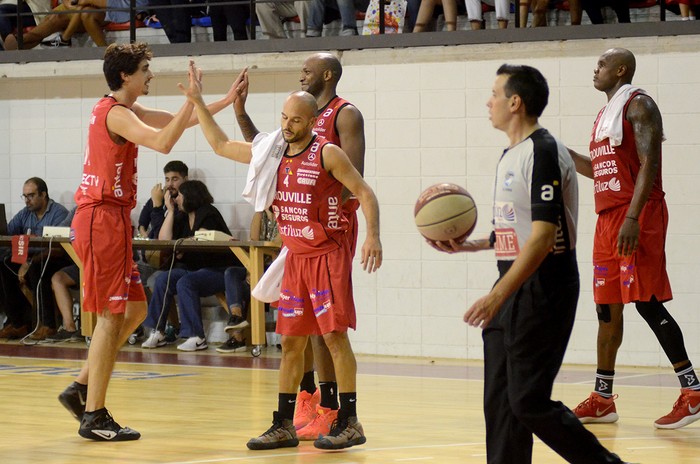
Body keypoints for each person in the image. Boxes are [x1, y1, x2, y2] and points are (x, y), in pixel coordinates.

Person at [430, 64, 627, 464]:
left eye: (495, 94)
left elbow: (541, 237)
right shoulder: (512, 153)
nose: (489, 102)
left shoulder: (543, 151)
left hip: (544, 286)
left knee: (528, 401)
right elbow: (518, 230)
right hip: (512, 283)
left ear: (515, 102)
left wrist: (495, 296)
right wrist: (473, 245)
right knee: (501, 404)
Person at [55, 42, 235, 441]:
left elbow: (176, 120)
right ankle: (94, 414)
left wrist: (214, 101)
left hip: (114, 219)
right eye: (145, 70)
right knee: (111, 316)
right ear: (125, 76)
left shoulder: (126, 110)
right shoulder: (115, 113)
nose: (150, 75)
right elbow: (163, 142)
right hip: (100, 219)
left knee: (135, 310)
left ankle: (81, 387)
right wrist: (196, 99)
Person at [190, 87, 382, 450]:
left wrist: (373, 236)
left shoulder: (328, 152)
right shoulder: (272, 153)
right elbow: (220, 145)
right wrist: (200, 104)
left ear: (313, 122)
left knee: (334, 338)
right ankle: (283, 424)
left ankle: (349, 420)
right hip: (296, 257)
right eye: (284, 118)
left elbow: (364, 192)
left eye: (296, 119)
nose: (288, 125)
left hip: (327, 254)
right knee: (290, 342)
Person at [232, 52, 367, 441]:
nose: (301, 74)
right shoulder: (297, 117)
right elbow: (267, 153)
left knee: (328, 328)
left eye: (307, 70)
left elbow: (352, 180)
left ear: (327, 74)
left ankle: (331, 408)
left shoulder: (344, 114)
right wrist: (240, 111)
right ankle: (304, 401)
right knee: (298, 325)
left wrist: (316, 218)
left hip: (328, 231)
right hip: (298, 227)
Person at [567, 48, 700, 430]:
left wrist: (632, 217)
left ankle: (692, 392)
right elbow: (602, 169)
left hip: (636, 215)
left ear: (621, 69)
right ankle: (602, 399)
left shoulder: (639, 106)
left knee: (647, 302)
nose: (596, 69)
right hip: (608, 217)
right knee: (606, 308)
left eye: (602, 64)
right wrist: (562, 153)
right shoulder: (603, 117)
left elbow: (649, 165)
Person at [140, 179, 240, 352]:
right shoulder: (183, 216)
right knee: (163, 279)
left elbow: (203, 236)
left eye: (179, 196)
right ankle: (158, 331)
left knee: (186, 282)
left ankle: (196, 336)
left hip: (219, 270)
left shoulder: (208, 212)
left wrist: (183, 244)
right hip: (195, 269)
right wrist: (170, 211)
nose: (176, 199)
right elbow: (164, 240)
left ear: (190, 196)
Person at [0, 177, 70, 340]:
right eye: (24, 196)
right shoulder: (25, 213)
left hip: (54, 257)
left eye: (31, 195)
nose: (27, 200)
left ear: (43, 194)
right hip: (29, 257)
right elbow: (8, 233)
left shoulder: (59, 213)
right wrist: (23, 260)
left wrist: (30, 261)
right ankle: (18, 323)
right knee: (4, 265)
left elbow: (58, 246)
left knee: (38, 268)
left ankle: (48, 324)